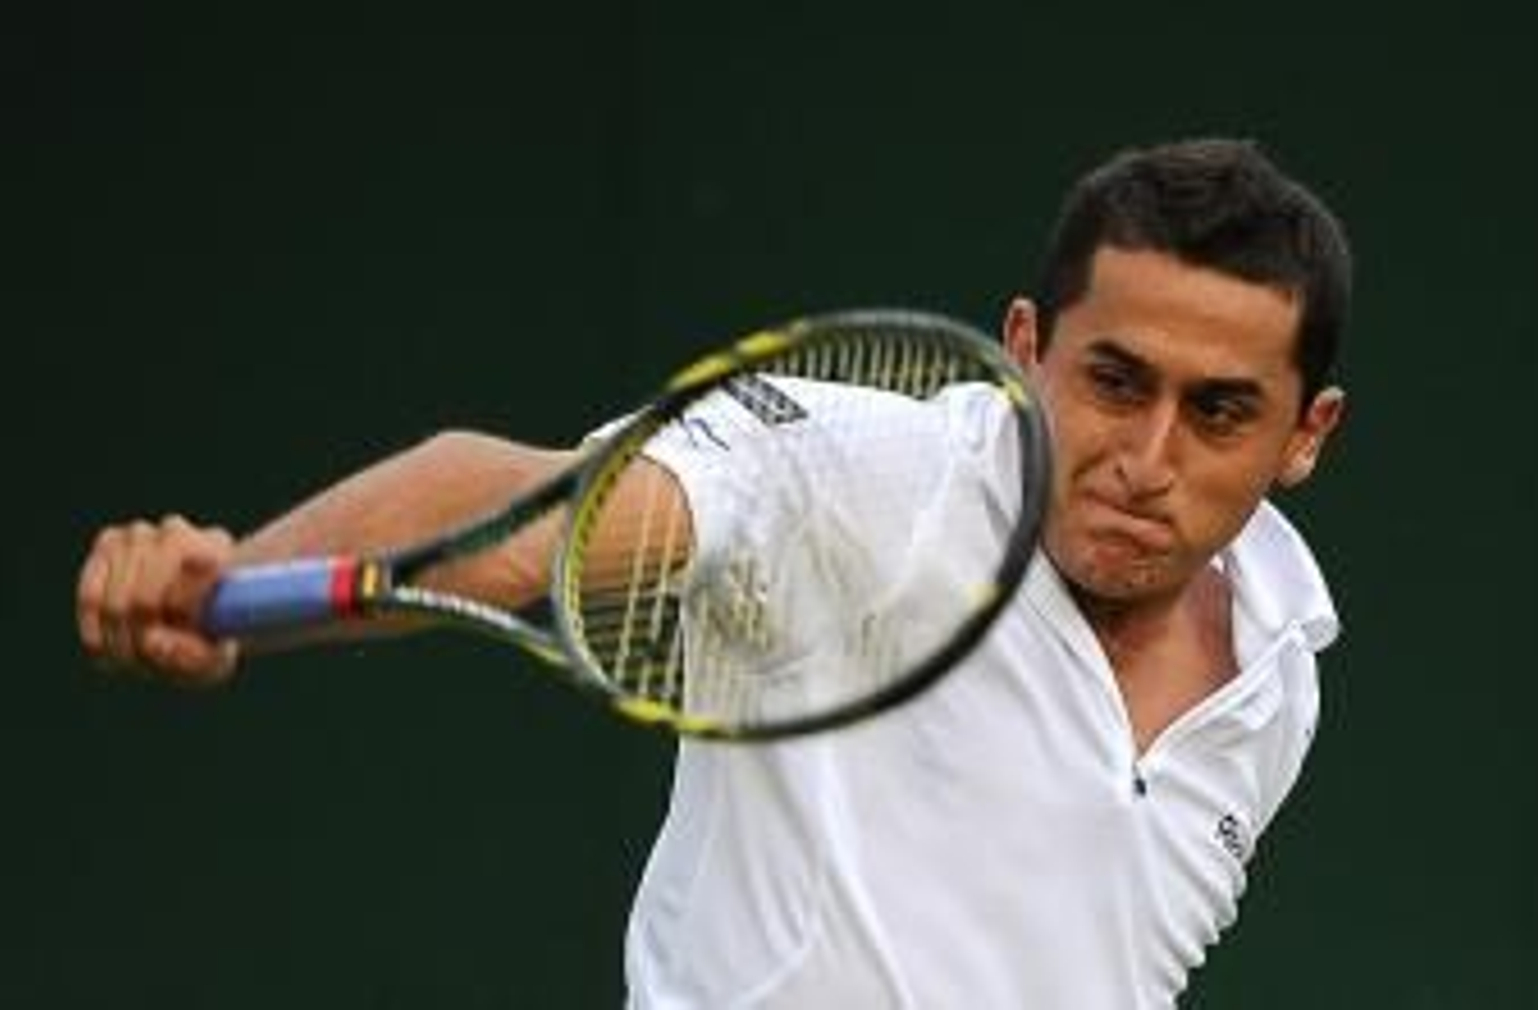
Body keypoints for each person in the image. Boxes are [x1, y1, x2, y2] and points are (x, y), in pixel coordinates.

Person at [76, 136, 1352, 1008]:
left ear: (1305, 434)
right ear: (1025, 350)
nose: (1146, 455)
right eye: (1114, 381)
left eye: (1220, 411)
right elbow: (521, 516)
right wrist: (237, 579)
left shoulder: (1276, 669)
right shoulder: (861, 481)